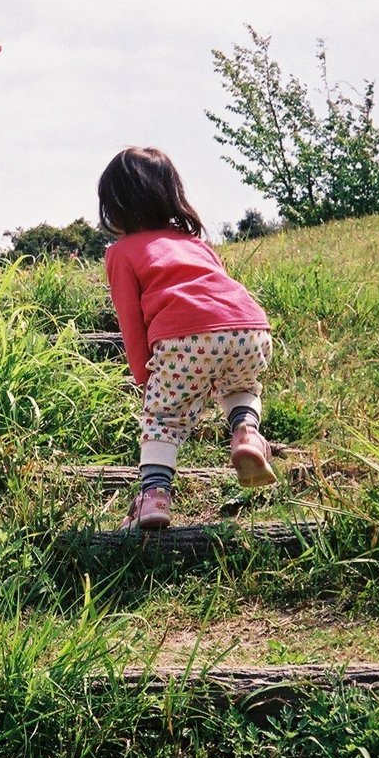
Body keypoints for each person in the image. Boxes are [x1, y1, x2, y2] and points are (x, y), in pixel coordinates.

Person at [98, 146, 275, 532]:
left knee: (163, 418)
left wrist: (146, 379)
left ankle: (154, 497)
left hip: (185, 340)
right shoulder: (197, 245)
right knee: (241, 384)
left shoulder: (122, 253)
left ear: (113, 204)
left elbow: (130, 320)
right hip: (250, 328)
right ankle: (246, 432)